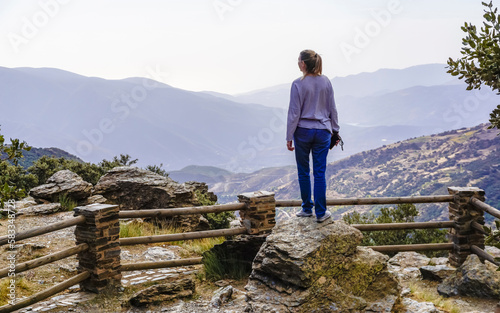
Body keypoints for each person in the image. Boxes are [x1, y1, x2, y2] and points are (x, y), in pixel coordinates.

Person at [286, 49, 340, 223]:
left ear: (303, 64)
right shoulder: (326, 82)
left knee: (303, 172)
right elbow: (332, 108)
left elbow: (294, 113)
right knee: (319, 173)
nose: (297, 63)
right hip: (323, 131)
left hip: (302, 131)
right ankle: (321, 213)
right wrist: (335, 130)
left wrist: (289, 136)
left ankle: (307, 209)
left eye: (298, 60)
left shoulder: (297, 84)